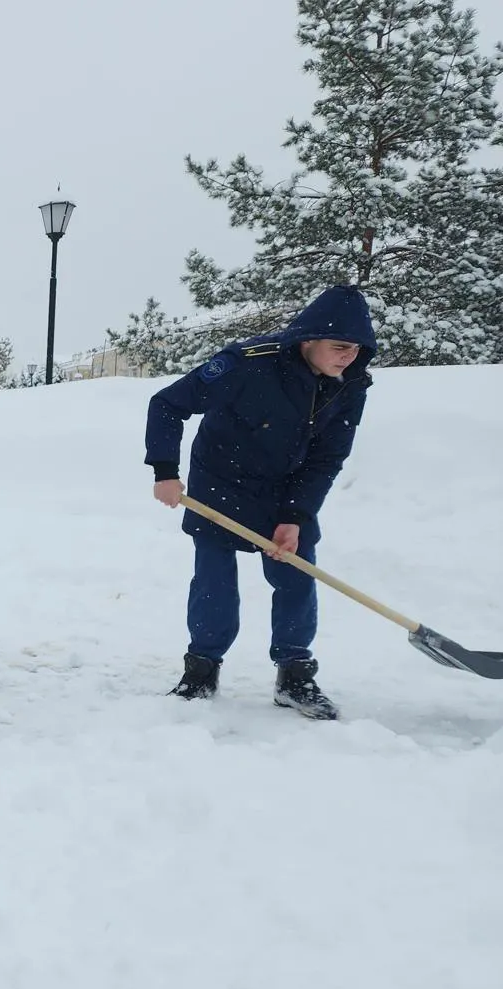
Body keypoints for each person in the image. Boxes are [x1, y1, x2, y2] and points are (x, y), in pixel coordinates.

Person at [145, 284, 376, 720]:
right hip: (221, 480)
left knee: (296, 575)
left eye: (356, 348)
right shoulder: (247, 363)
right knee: (214, 580)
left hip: (286, 487)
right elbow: (168, 404)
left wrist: (295, 515)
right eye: (339, 346)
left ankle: (294, 675)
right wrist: (164, 471)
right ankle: (201, 670)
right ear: (309, 339)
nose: (349, 357)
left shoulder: (350, 385)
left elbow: (328, 457)